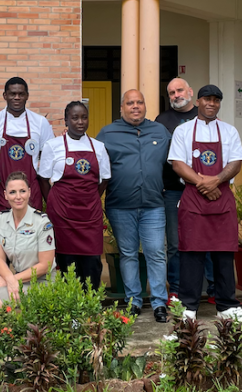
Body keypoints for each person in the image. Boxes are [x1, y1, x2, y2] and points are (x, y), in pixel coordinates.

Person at [168, 85, 242, 322]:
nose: (211, 104)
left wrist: (217, 181)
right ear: (198, 102)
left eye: (216, 100)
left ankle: (226, 305)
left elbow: (236, 162)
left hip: (222, 197)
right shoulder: (183, 131)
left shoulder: (229, 131)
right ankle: (189, 306)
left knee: (224, 254)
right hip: (193, 198)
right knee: (191, 254)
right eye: (207, 99)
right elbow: (178, 164)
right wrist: (204, 183)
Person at [98, 90, 171, 322]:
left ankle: (159, 303)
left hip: (153, 205)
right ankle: (133, 301)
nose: (135, 106)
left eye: (139, 102)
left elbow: (174, 161)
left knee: (156, 253)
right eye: (130, 103)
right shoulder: (107, 133)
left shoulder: (160, 131)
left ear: (145, 106)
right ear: (122, 108)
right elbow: (95, 163)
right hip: (120, 205)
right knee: (128, 254)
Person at [38, 101, 110, 289]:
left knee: (92, 264)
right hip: (62, 216)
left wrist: (89, 198)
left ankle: (90, 304)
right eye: (75, 118)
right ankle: (69, 306)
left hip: (90, 217)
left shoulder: (98, 147)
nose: (80, 122)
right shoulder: (52, 146)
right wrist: (53, 203)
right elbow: (43, 179)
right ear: (66, 120)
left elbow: (105, 179)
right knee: (66, 263)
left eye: (84, 117)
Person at [0, 77, 54, 246]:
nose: (17, 97)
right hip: (0, 194)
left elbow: (48, 156)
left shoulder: (40, 123)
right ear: (5, 95)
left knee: (31, 244)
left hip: (30, 194)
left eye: (21, 94)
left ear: (27, 95)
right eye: (13, 94)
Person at [155, 77, 206, 301]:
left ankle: (209, 289)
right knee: (175, 243)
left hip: (204, 189)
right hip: (172, 190)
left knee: (206, 239)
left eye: (180, 90)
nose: (176, 95)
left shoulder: (204, 115)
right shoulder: (162, 120)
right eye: (172, 92)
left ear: (190, 91)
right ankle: (175, 287)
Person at [0, 172, 55, 306]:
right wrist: (9, 279)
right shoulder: (2, 218)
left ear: (29, 192)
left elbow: (45, 265)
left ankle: (14, 312)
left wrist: (11, 280)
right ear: (5, 195)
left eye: (22, 191)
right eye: (12, 192)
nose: (18, 197)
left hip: (40, 281)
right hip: (16, 277)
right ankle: (13, 309)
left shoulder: (42, 222)